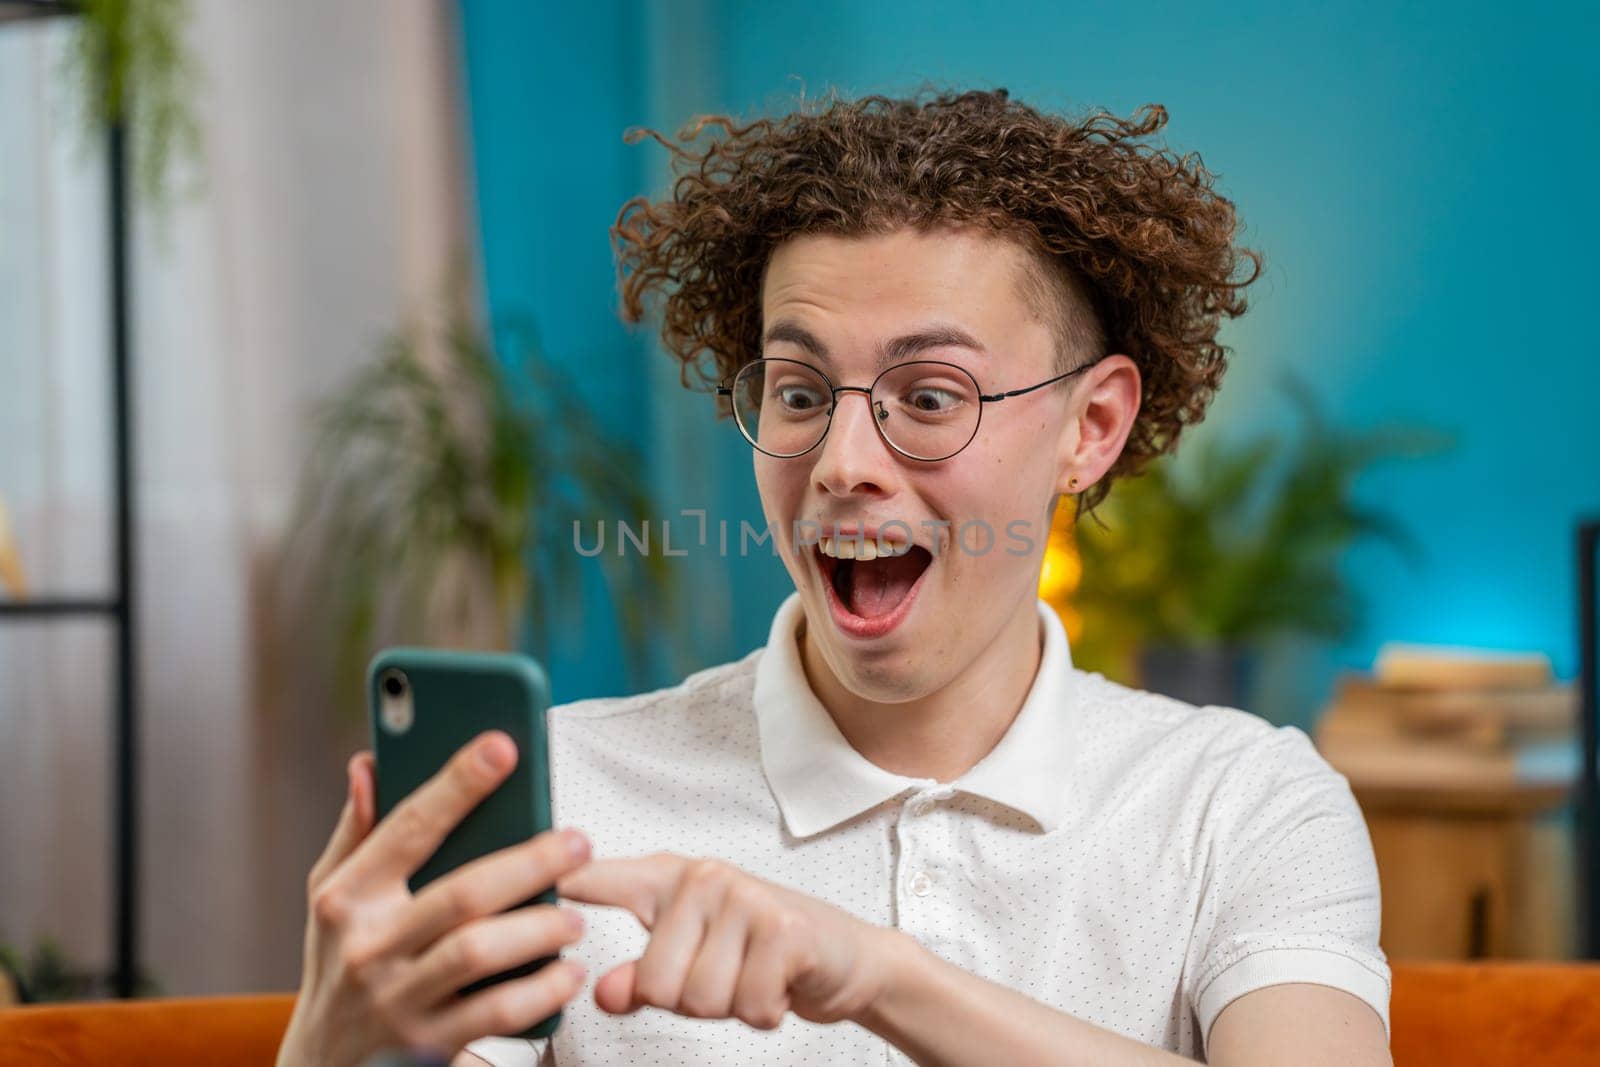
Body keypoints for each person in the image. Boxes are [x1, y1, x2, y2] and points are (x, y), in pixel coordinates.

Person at [277, 87, 1392, 1067]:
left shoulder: (1240, 803)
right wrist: (335, 1045)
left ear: (1089, 425)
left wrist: (875, 975)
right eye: (801, 392)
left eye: (929, 395)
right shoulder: (560, 800)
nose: (844, 465)